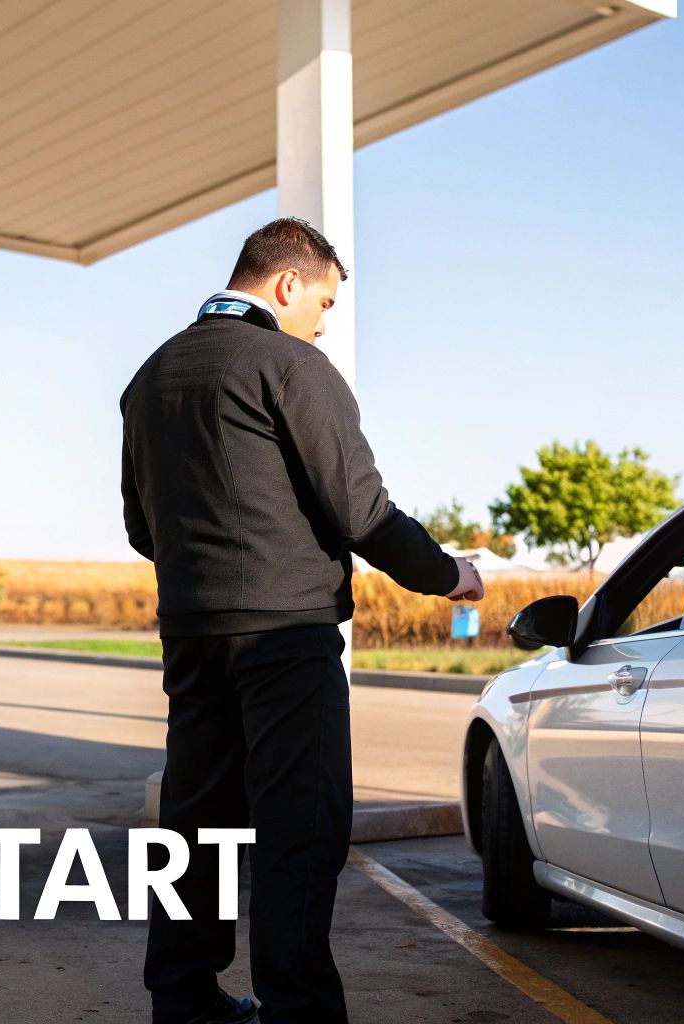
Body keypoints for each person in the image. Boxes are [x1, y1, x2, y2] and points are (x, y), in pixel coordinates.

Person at [121, 218, 484, 1024]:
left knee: (196, 825)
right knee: (300, 830)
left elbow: (142, 528)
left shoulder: (150, 377)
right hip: (286, 637)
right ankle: (300, 1014)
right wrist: (449, 574)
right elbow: (362, 510)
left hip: (190, 633)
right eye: (323, 300)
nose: (324, 321)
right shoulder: (291, 364)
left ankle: (183, 1004)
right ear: (287, 284)